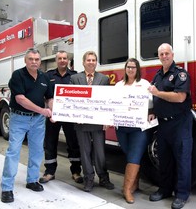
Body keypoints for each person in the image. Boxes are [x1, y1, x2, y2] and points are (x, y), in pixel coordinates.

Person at [1, 48, 53, 203]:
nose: (34, 62)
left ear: (40, 61)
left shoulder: (44, 77)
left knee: (37, 151)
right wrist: (43, 111)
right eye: (31, 59)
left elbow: (49, 97)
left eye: (37, 59)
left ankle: (32, 180)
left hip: (38, 121)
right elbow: (20, 99)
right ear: (25, 60)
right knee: (13, 152)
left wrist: (52, 109)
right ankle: (7, 188)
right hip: (19, 118)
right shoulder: (18, 75)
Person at [148, 43, 193, 209]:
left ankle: (182, 195)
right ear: (158, 57)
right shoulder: (158, 75)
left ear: (172, 55)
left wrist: (158, 93)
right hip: (162, 124)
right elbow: (154, 98)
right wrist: (152, 110)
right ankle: (165, 189)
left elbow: (180, 97)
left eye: (167, 53)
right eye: (161, 54)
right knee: (164, 160)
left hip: (180, 123)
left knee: (182, 160)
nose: (164, 56)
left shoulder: (181, 74)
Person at [69, 51, 114, 192]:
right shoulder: (75, 79)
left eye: (93, 60)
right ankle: (89, 179)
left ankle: (103, 177)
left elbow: (107, 101)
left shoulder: (104, 79)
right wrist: (76, 116)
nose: (91, 62)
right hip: (81, 123)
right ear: (83, 62)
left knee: (100, 152)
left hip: (98, 122)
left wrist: (107, 119)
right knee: (85, 152)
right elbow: (70, 100)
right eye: (88, 60)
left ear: (96, 62)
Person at [39, 50, 83, 184]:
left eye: (65, 58)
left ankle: (76, 172)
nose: (62, 60)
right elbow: (44, 93)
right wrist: (48, 105)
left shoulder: (75, 76)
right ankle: (50, 172)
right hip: (53, 115)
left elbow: (80, 95)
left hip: (70, 116)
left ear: (68, 60)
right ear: (56, 60)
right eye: (60, 58)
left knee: (73, 142)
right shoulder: (48, 75)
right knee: (50, 142)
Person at [115, 58, 152, 204]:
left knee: (134, 156)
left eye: (133, 67)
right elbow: (112, 102)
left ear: (137, 69)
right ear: (125, 69)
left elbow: (152, 101)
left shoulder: (144, 84)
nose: (130, 69)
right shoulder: (118, 85)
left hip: (139, 128)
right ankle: (135, 184)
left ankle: (127, 189)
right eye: (128, 67)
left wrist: (152, 110)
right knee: (129, 154)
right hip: (122, 127)